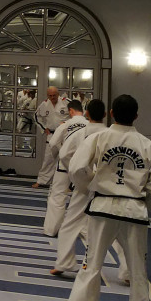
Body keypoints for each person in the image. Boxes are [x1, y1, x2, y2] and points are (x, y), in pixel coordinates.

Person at [62, 94, 151, 301]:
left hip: (102, 207)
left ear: (111, 113)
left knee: (92, 266)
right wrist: (147, 204)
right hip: (134, 212)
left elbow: (76, 168)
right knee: (138, 274)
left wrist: (91, 186)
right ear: (137, 116)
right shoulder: (147, 146)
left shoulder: (98, 138)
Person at [51, 99, 106, 276]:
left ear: (87, 114)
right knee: (117, 229)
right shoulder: (110, 135)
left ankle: (64, 263)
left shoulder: (81, 133)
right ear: (105, 115)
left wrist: (77, 175)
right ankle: (128, 271)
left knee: (70, 224)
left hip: (84, 185)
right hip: (108, 188)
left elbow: (64, 154)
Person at [43, 99, 87, 237]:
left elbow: (53, 143)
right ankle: (82, 230)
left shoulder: (65, 125)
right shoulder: (90, 125)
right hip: (84, 166)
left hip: (64, 165)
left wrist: (59, 153)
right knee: (83, 197)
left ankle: (51, 230)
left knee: (58, 195)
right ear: (83, 111)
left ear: (71, 111)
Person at [32, 86, 69, 188]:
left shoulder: (66, 102)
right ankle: (42, 181)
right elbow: (36, 117)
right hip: (52, 134)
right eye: (50, 96)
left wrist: (70, 125)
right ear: (47, 95)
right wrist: (44, 128)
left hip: (65, 134)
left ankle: (69, 184)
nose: (52, 97)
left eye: (54, 95)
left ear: (58, 94)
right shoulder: (44, 104)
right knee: (48, 159)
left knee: (67, 158)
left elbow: (77, 114)